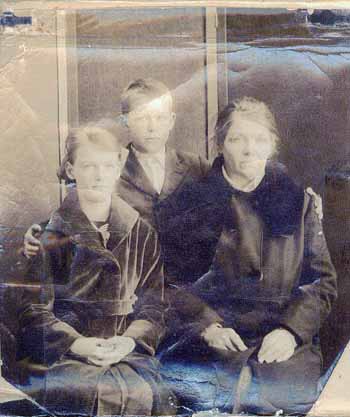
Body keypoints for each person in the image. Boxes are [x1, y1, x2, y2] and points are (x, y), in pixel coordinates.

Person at [159, 97, 337, 414]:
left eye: (259, 140)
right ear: (220, 145)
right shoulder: (189, 201)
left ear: (272, 146)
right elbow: (168, 283)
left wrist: (290, 332)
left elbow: (322, 282)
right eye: (237, 139)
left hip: (281, 345)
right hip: (210, 341)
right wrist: (208, 327)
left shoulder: (297, 201)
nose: (249, 150)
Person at [17, 126, 176, 416]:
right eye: (88, 166)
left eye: (107, 166)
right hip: (66, 356)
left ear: (118, 169)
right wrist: (79, 344)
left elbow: (155, 305)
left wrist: (129, 340)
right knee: (99, 395)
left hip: (127, 351)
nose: (99, 176)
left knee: (150, 393)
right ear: (71, 169)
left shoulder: (141, 232)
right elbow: (34, 312)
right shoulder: (51, 235)